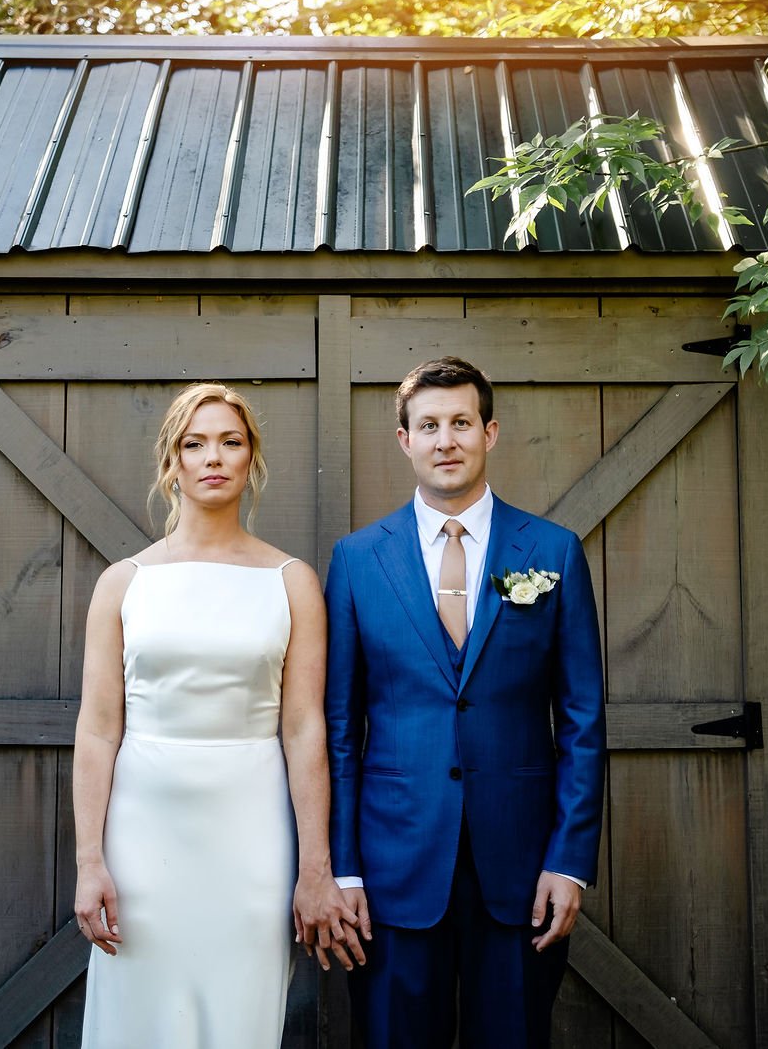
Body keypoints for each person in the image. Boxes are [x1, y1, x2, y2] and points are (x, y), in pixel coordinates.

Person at [325, 356, 606, 1048]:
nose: (445, 439)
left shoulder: (552, 551)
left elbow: (582, 720)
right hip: (393, 869)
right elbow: (337, 727)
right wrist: (345, 867)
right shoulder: (358, 560)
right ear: (404, 440)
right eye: (428, 425)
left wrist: (569, 861)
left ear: (490, 432)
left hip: (520, 868)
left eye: (460, 422)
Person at [72, 382, 357, 1048]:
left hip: (252, 835)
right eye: (194, 443)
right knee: (136, 1015)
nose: (213, 456)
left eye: (231, 441)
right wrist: (90, 860)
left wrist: (315, 864)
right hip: (143, 836)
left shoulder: (291, 580)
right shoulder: (123, 582)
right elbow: (98, 728)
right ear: (171, 461)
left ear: (251, 456)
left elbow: (304, 729)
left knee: (240, 1015)